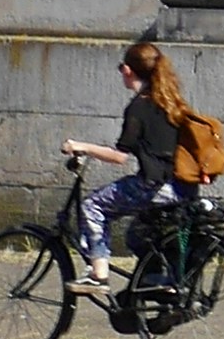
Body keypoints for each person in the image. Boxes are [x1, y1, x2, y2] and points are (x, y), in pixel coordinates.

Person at [62, 36, 193, 297]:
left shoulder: (139, 107)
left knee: (92, 207)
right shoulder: (174, 103)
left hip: (153, 186)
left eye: (122, 68)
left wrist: (82, 147)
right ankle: (156, 279)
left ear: (127, 70)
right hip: (183, 188)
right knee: (137, 234)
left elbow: (120, 156)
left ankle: (98, 275)